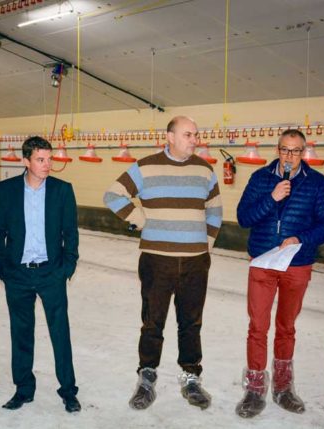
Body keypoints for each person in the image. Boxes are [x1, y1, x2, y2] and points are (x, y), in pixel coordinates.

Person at [103, 116, 223, 411]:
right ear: (169, 136)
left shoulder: (205, 170)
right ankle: (147, 377)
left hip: (195, 263)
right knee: (152, 322)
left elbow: (215, 210)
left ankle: (191, 377)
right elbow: (113, 194)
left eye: (196, 134)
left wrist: (203, 246)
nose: (194, 140)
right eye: (187, 134)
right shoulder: (145, 167)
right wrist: (142, 220)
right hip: (157, 261)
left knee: (191, 323)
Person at [235, 128, 324, 418]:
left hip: (297, 263)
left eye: (296, 151)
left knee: (286, 327)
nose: (290, 156)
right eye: (285, 150)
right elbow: (243, 218)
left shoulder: (317, 183)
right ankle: (254, 390)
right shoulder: (260, 179)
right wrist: (272, 197)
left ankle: (283, 388)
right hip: (263, 263)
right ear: (277, 150)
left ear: (303, 152)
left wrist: (300, 238)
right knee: (257, 326)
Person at [0, 136, 81, 413]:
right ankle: (23, 389)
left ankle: (68, 390)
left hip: (50, 273)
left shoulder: (62, 190)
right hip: (18, 274)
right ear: (25, 161)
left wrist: (66, 267)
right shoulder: (7, 190)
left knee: (59, 332)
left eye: (49, 159)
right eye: (40, 159)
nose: (47, 165)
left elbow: (71, 234)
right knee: (21, 332)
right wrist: (3, 268)